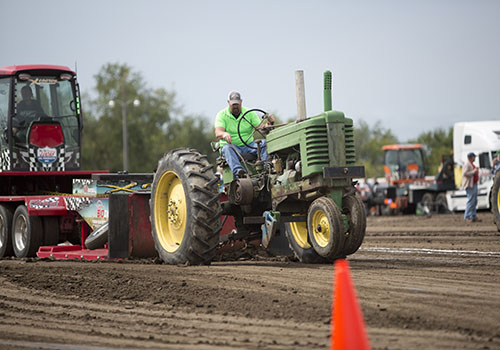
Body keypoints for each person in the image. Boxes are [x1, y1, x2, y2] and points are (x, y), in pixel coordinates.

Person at [214, 91, 275, 177]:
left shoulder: (249, 113)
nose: (235, 106)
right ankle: (239, 172)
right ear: (228, 103)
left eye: (237, 104)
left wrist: (269, 123)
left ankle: (266, 169)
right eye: (233, 104)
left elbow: (262, 130)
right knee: (227, 148)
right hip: (232, 146)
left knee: (264, 143)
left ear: (241, 102)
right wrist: (224, 134)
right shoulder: (222, 115)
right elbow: (218, 132)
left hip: (249, 145)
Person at [462, 152, 480, 222]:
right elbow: (464, 173)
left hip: (473, 184)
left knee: (474, 201)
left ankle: (473, 216)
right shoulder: (467, 164)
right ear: (471, 157)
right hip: (469, 185)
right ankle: (467, 216)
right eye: (474, 157)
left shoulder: (471, 164)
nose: (475, 158)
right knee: (471, 201)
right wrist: (473, 172)